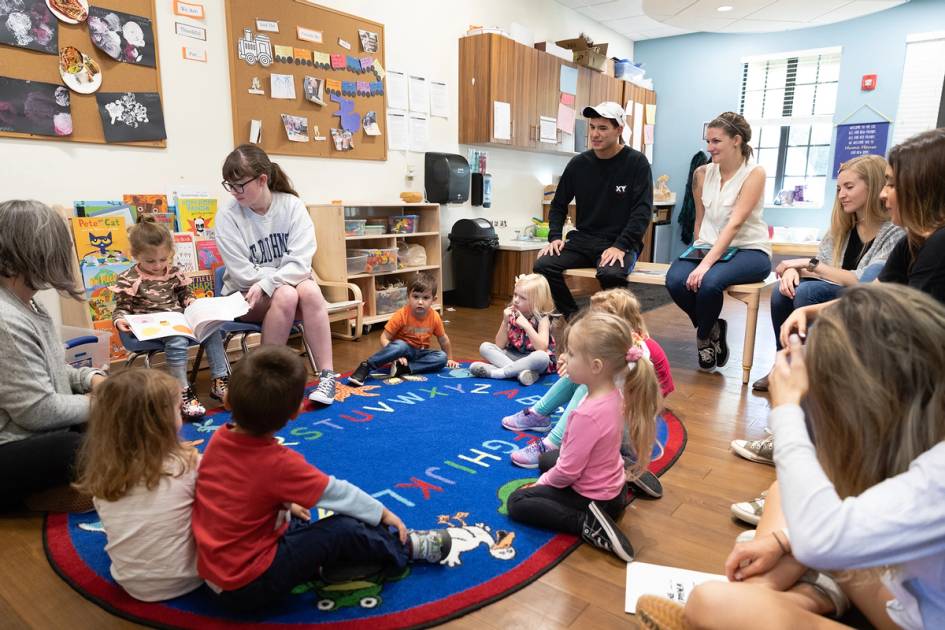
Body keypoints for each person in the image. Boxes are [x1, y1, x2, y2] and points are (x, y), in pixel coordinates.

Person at [636, 283, 945, 630]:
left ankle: (755, 603)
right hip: (908, 600)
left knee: (711, 601)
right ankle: (773, 598)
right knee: (789, 496)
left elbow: (819, 539)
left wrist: (787, 410)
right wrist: (783, 541)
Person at [192, 345, 451, 612]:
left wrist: (285, 503)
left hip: (217, 575)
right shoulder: (279, 464)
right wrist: (382, 512)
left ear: (227, 402)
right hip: (250, 585)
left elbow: (237, 491)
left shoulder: (219, 438)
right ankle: (405, 547)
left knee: (298, 518)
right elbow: (339, 494)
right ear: (296, 413)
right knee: (341, 528)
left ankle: (333, 562)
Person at [507, 312, 661, 562]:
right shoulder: (614, 394)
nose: (564, 357)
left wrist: (541, 483)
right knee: (548, 458)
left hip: (595, 500)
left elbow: (568, 472)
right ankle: (626, 479)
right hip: (614, 489)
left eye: (572, 354)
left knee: (518, 501)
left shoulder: (586, 414)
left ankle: (587, 524)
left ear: (596, 366)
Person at [751, 154, 903, 392]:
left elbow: (861, 279)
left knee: (808, 292)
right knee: (784, 292)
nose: (841, 194)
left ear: (873, 187)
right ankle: (783, 364)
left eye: (849, 187)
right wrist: (794, 271)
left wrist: (804, 264)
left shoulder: (893, 232)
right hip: (832, 292)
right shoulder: (841, 229)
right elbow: (820, 267)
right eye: (839, 188)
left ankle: (810, 372)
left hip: (866, 298)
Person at [502, 289, 674, 499]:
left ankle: (554, 443)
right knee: (578, 375)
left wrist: (576, 363)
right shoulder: (619, 343)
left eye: (595, 318)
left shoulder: (635, 352)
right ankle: (539, 414)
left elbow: (610, 390)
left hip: (627, 424)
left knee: (586, 383)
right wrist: (571, 358)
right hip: (616, 414)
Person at [779, 127, 945, 345]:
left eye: (892, 185)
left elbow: (917, 337)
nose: (884, 193)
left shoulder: (936, 246)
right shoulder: (911, 242)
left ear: (922, 189)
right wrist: (809, 312)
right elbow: (872, 295)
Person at [0, 200, 106, 513]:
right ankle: (34, 500)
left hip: (34, 429)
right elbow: (37, 411)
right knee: (70, 449)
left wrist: (93, 379)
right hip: (12, 442)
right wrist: (103, 404)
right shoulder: (6, 319)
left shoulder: (29, 304)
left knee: (107, 428)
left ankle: (82, 483)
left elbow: (55, 370)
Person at [215, 144, 337, 405]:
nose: (235, 192)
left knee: (309, 290)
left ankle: (327, 376)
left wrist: (271, 279)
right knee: (287, 293)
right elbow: (241, 273)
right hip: (243, 298)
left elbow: (302, 263)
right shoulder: (227, 215)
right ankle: (266, 382)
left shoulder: (291, 206)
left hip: (283, 289)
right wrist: (281, 278)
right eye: (230, 185)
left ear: (262, 180)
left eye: (240, 185)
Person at [74, 369, 203, 601]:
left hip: (130, 582)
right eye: (177, 409)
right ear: (163, 422)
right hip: (192, 576)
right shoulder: (189, 463)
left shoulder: (103, 472)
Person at [665, 112, 772, 371]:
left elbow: (734, 224)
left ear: (736, 140)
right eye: (708, 141)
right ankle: (712, 326)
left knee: (709, 283)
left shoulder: (754, 173)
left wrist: (703, 267)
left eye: (716, 142)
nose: (709, 148)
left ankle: (703, 338)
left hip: (749, 250)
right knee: (675, 280)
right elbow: (700, 222)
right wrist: (694, 253)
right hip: (708, 245)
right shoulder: (702, 173)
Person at [534, 102, 653, 319]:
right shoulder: (578, 164)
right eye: (592, 127)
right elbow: (558, 204)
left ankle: (616, 325)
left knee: (611, 273)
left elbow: (642, 212)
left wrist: (621, 245)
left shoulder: (637, 163)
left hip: (620, 242)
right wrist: (554, 237)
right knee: (544, 265)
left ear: (619, 129)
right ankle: (574, 319)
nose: (595, 134)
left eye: (603, 128)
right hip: (584, 240)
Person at [112, 218, 230, 419]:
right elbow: (121, 307)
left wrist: (191, 301)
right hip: (150, 328)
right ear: (135, 255)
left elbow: (184, 294)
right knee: (177, 339)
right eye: (150, 261)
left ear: (170, 254)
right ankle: (181, 390)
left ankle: (220, 380)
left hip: (178, 322)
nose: (158, 265)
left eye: (163, 259)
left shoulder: (174, 273)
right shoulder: (129, 278)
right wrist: (119, 320)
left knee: (212, 329)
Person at [347, 272, 458, 387]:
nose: (420, 302)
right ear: (408, 296)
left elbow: (443, 339)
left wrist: (449, 358)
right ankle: (367, 366)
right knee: (401, 345)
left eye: (425, 298)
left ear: (433, 299)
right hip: (402, 350)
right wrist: (396, 356)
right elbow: (384, 337)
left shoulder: (434, 317)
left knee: (441, 358)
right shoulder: (401, 315)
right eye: (415, 297)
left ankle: (404, 368)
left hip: (420, 353)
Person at [469, 273, 556, 386]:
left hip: (532, 360)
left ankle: (498, 372)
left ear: (537, 301)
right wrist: (505, 322)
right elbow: (499, 344)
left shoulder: (542, 318)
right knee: (485, 347)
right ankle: (521, 373)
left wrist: (527, 326)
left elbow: (542, 348)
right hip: (513, 356)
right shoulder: (512, 313)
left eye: (522, 298)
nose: (516, 300)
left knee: (542, 357)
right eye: (515, 294)